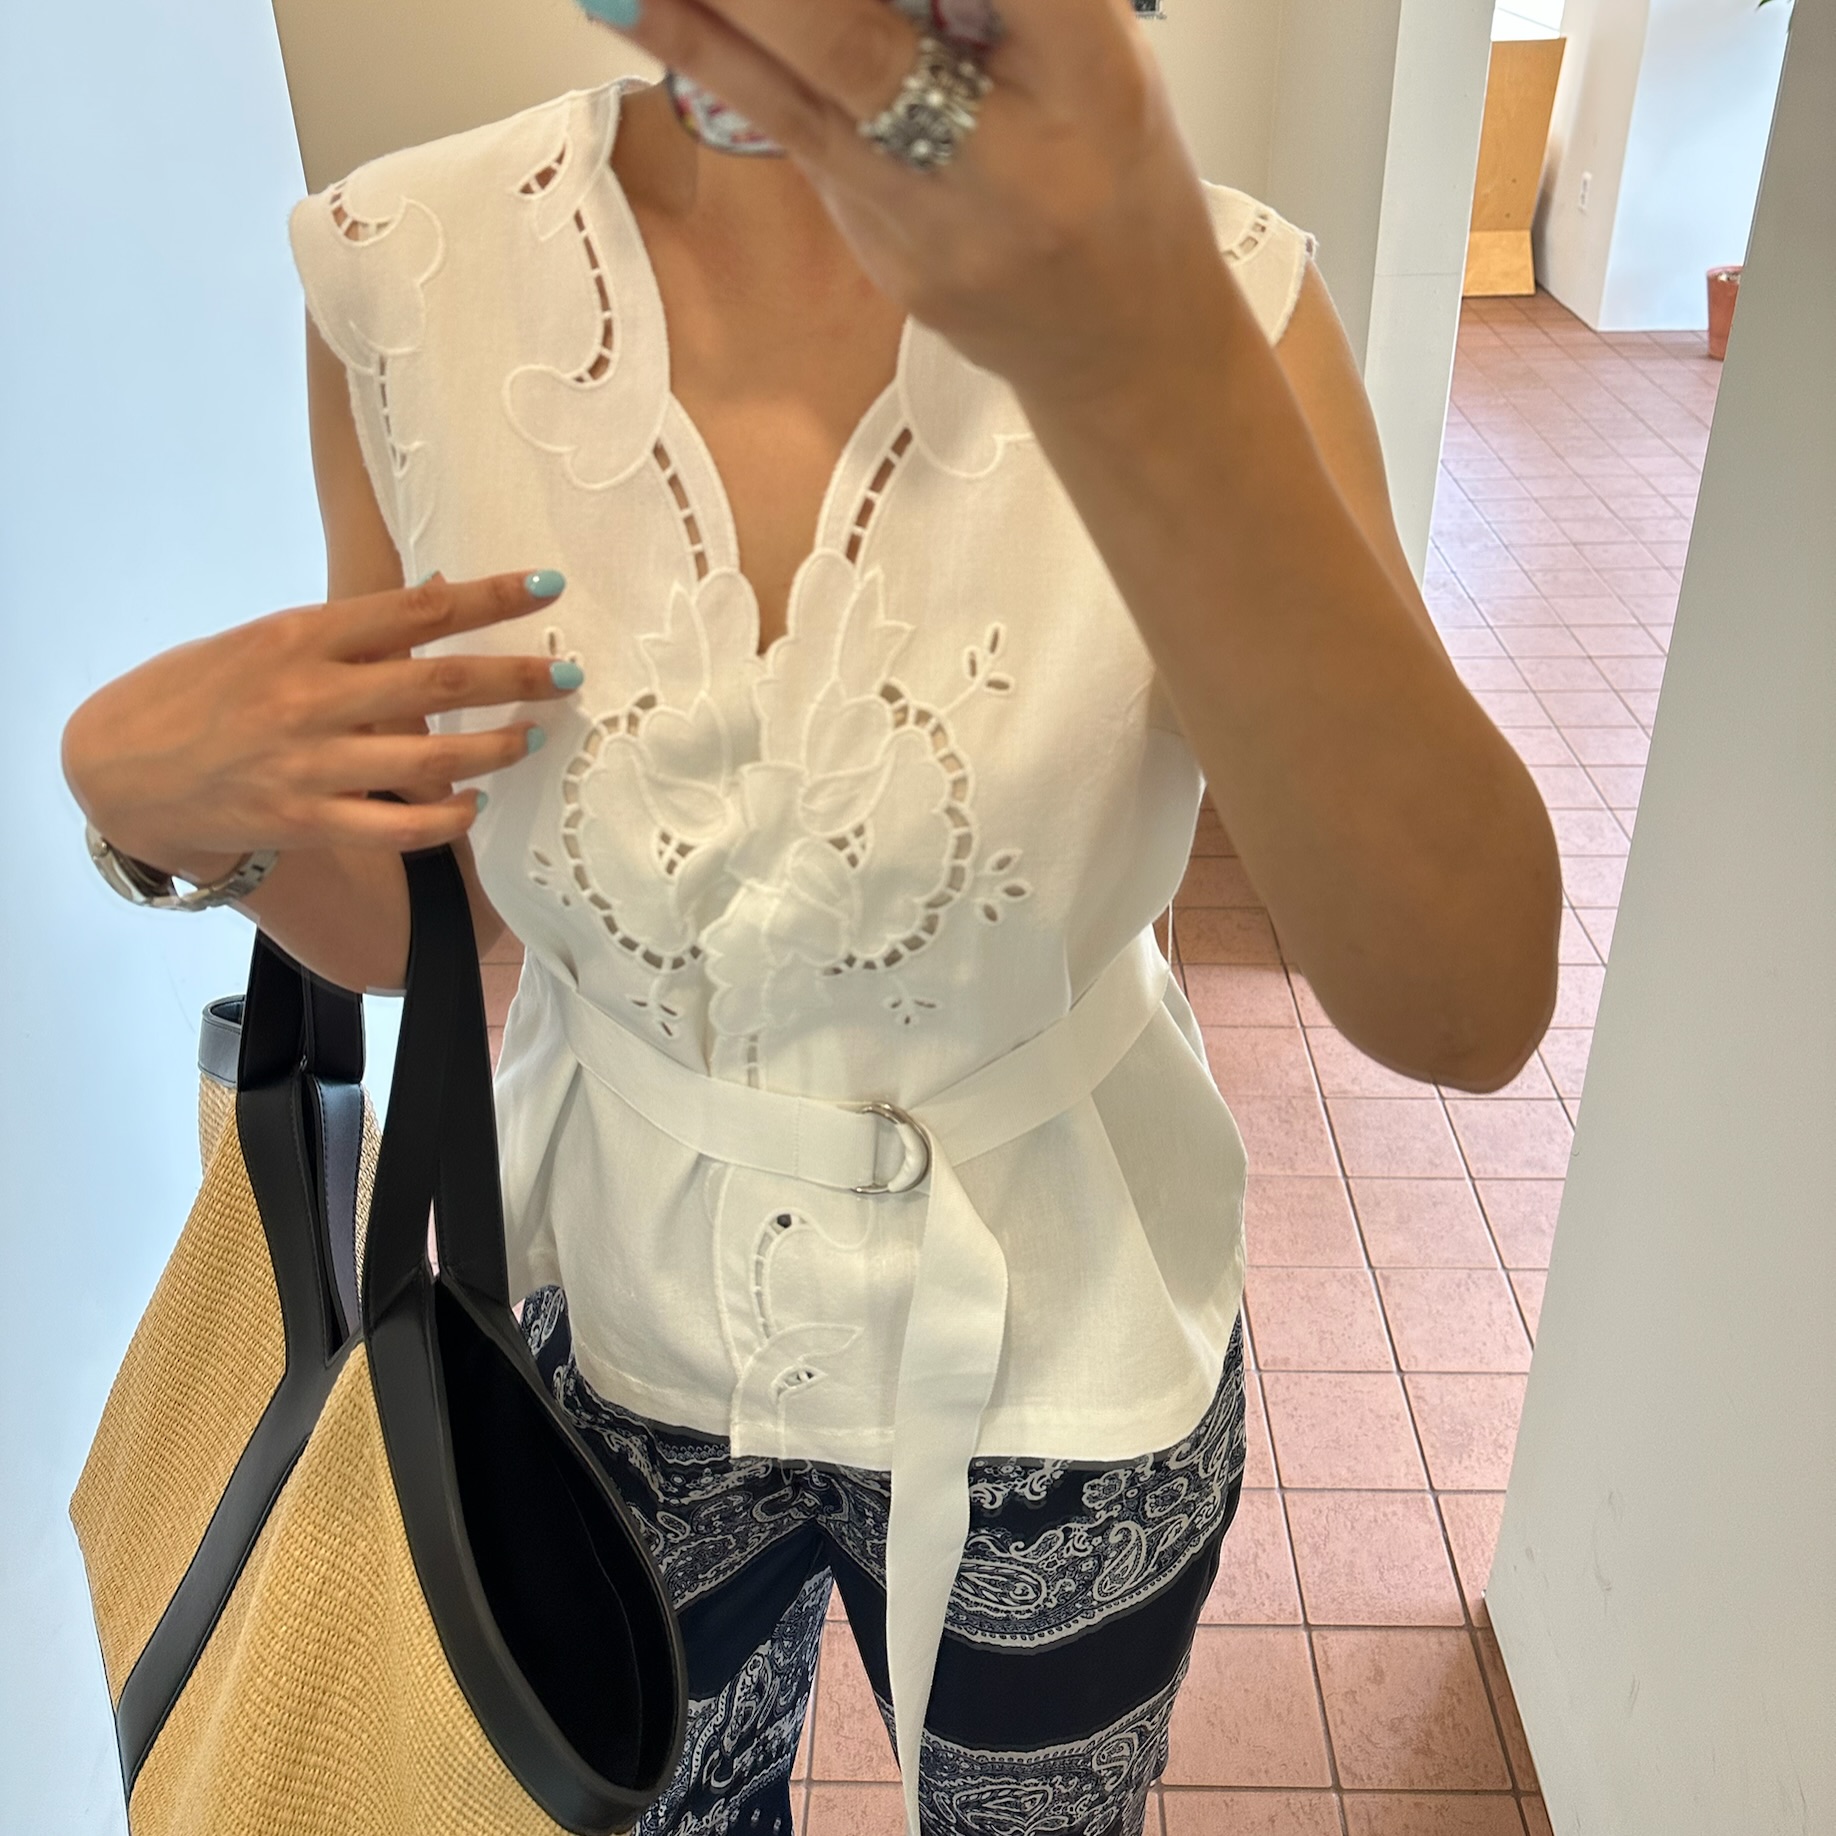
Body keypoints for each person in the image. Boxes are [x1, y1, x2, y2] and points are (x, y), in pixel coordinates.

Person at [61, 2, 1562, 1831]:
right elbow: (414, 925)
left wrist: (1141, 345)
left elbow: (1466, 1003)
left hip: (1064, 1357)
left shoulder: (1222, 297)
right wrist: (177, 823)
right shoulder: (406, 268)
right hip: (596, 1331)